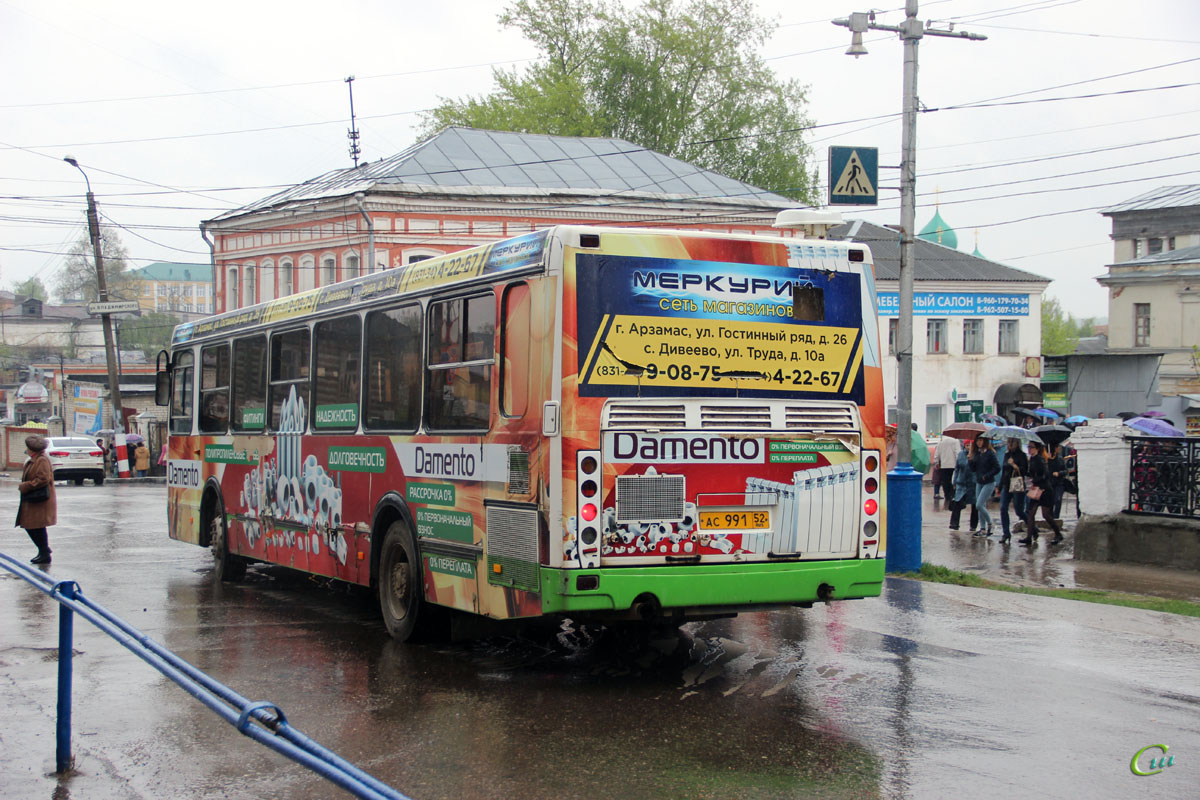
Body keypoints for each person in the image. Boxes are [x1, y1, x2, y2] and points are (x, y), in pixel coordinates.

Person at [16, 434, 57, 564]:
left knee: (35, 526)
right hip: (33, 499)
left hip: (39, 499)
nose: (26, 450)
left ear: (32, 449)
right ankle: (43, 551)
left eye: (27, 448)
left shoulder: (41, 460)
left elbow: (44, 479)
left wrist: (26, 486)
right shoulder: (35, 459)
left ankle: (44, 552)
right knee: (33, 526)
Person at [1020, 442, 1063, 546]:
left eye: (1032, 447)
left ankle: (1058, 533)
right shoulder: (1032, 460)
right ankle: (1029, 537)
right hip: (1036, 489)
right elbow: (1030, 473)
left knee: (1046, 515)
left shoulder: (1040, 460)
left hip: (1044, 490)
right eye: (1028, 447)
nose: (1029, 449)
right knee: (1031, 513)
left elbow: (1045, 474)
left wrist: (1035, 480)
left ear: (1037, 449)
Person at [997, 438, 1028, 545]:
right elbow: (1004, 470)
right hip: (1006, 484)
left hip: (1017, 484)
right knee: (1003, 508)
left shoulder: (1022, 455)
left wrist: (1014, 465)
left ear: (1017, 443)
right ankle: (1006, 533)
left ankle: (1033, 527)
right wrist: (999, 486)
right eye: (1008, 442)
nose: (1010, 444)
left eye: (1012, 442)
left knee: (1019, 510)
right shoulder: (1006, 455)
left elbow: (1024, 471)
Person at [970, 436, 1001, 537]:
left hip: (988, 482)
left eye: (980, 440)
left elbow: (997, 468)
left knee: (979, 504)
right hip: (979, 482)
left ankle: (990, 523)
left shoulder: (990, 453)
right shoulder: (978, 454)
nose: (978, 442)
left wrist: (987, 476)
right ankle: (982, 528)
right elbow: (973, 469)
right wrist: (970, 460)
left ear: (985, 441)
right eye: (977, 440)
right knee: (980, 506)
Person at [949, 440, 978, 532]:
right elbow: (957, 468)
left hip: (973, 484)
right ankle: (954, 524)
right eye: (966, 445)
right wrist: (954, 481)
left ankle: (973, 526)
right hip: (961, 483)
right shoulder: (961, 454)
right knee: (957, 503)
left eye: (970, 445)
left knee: (975, 505)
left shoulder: (977, 454)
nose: (968, 447)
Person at [934, 435, 961, 504]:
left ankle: (947, 495)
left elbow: (937, 454)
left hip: (943, 465)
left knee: (945, 481)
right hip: (953, 465)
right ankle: (952, 495)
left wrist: (936, 462)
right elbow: (958, 453)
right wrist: (959, 463)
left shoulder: (940, 442)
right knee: (952, 481)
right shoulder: (955, 441)